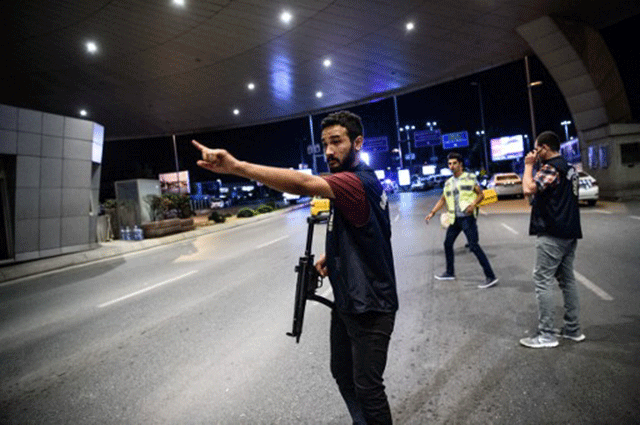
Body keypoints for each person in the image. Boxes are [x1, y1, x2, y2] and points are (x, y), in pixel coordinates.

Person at [192, 110, 398, 424]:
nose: (329, 151)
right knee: (342, 373)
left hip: (370, 307)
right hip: (349, 300)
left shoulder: (354, 183)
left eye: (337, 142)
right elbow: (376, 231)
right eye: (325, 143)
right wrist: (335, 255)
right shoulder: (363, 182)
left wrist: (237, 167)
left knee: (368, 387)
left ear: (358, 143)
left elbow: (302, 183)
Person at [519, 131, 584, 348]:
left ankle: (547, 335)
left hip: (552, 232)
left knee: (542, 280)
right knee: (567, 280)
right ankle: (573, 329)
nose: (534, 153)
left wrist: (528, 165)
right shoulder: (570, 168)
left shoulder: (551, 167)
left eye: (536, 149)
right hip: (570, 231)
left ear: (544, 148)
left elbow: (528, 188)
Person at [424, 152, 498, 289]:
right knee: (447, 244)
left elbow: (481, 195)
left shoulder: (470, 178)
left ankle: (490, 276)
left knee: (474, 246)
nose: (451, 166)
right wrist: (432, 213)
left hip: (467, 218)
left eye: (454, 163)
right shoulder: (448, 182)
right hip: (455, 219)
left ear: (460, 164)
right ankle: (450, 272)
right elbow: (442, 199)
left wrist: (473, 204)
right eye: (449, 164)